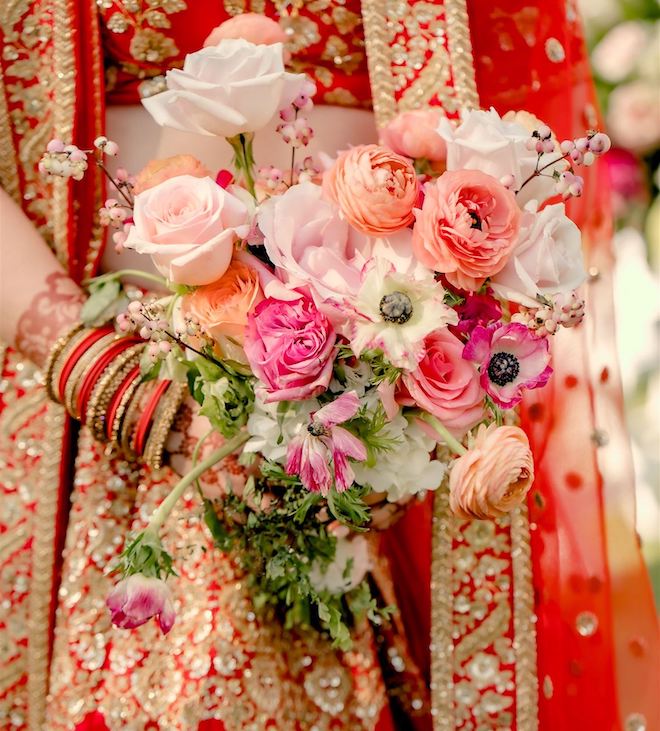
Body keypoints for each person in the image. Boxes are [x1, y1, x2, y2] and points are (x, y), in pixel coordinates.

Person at [0, 2, 657, 730]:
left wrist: (411, 407)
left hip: (363, 427)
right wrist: (107, 378)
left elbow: (504, 100)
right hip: (119, 428)